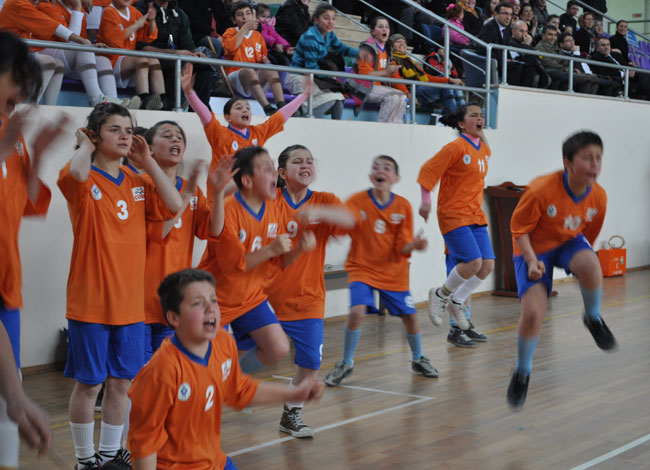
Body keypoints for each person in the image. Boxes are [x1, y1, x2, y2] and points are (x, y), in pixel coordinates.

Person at [57, 103, 183, 470]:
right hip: (90, 303)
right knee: (89, 385)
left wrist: (148, 163)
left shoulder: (137, 181)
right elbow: (76, 172)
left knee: (121, 384)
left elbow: (174, 203)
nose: (125, 136)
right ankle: (85, 461)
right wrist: (84, 145)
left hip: (130, 306)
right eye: (115, 129)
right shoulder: (81, 174)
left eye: (129, 129)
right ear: (94, 135)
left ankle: (110, 457)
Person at [127, 268, 324, 470]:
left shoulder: (223, 342)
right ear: (174, 318)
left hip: (215, 462)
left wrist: (295, 394)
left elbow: (241, 390)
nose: (211, 308)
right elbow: (144, 444)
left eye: (214, 300)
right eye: (197, 303)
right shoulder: (162, 370)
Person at [506, 131, 616, 409]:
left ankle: (593, 317)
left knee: (591, 264)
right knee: (534, 313)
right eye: (587, 158)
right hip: (532, 247)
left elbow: (588, 235)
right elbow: (519, 229)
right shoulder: (541, 190)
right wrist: (531, 260)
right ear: (567, 163)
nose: (594, 164)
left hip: (567, 242)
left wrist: (580, 265)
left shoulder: (599, 197)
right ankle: (522, 371)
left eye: (598, 158)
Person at [0, 31, 69, 469]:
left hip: (6, 282)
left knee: (10, 400)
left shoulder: (14, 131)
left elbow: (22, 204)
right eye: (17, 79)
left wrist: (37, 157)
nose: (23, 93)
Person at [196, 146, 315, 375]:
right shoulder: (229, 211)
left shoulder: (274, 207)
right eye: (267, 169)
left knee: (278, 347)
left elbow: (281, 260)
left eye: (273, 168)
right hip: (216, 298)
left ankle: (233, 381)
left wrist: (299, 248)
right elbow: (233, 267)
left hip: (250, 296)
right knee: (211, 364)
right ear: (247, 181)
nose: (274, 174)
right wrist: (271, 249)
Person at [324, 155, 437, 388]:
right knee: (357, 312)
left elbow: (402, 247)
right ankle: (346, 363)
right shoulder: (357, 201)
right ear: (370, 176)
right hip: (361, 267)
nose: (380, 171)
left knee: (411, 317)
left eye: (386, 168)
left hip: (393, 271)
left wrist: (415, 246)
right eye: (376, 167)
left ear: (395, 178)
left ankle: (418, 358)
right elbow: (341, 226)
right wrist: (329, 225)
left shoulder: (403, 206)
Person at [268, 144, 356, 437]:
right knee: (235, 360)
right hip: (263, 299)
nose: (305, 165)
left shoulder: (324, 200)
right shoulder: (268, 201)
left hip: (308, 299)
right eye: (297, 161)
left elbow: (351, 223)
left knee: (310, 363)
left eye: (309, 161)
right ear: (282, 173)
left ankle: (291, 414)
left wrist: (322, 212)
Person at [141, 121, 236, 363]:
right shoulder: (139, 184)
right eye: (167, 135)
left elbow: (213, 230)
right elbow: (156, 234)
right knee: (139, 375)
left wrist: (218, 194)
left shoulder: (191, 190)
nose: (176, 140)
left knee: (170, 370)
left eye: (179, 137)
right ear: (149, 149)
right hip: (138, 299)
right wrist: (184, 197)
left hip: (173, 299)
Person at [418, 103, 494, 338]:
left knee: (487, 265)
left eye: (482, 116)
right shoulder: (455, 147)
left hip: (475, 214)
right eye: (474, 116)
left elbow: (484, 144)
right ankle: (440, 295)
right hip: (453, 213)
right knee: (472, 262)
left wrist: (478, 126)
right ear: (461, 123)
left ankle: (457, 300)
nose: (480, 119)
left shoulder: (483, 150)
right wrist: (426, 201)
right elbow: (428, 171)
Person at [180, 62, 310, 194]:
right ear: (228, 117)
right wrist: (190, 93)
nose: (245, 110)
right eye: (239, 108)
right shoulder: (219, 133)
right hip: (222, 198)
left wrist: (303, 96)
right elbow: (205, 115)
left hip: (249, 199)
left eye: (248, 108)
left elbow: (280, 117)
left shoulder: (258, 132)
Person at [37, 0, 140, 108]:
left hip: (67, 57)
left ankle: (114, 103)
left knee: (103, 60)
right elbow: (70, 42)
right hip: (46, 51)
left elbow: (79, 41)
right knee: (84, 47)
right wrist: (77, 8)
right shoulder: (47, 6)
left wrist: (93, 47)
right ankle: (96, 98)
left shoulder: (80, 10)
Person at [0, 0, 94, 106]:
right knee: (47, 62)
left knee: (59, 64)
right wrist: (81, 40)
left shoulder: (32, 4)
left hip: (22, 52)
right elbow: (53, 26)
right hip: (7, 54)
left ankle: (50, 107)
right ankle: (30, 106)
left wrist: (83, 41)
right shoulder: (18, 3)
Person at [134, 0, 213, 110]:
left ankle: (198, 112)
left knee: (204, 68)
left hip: (175, 57)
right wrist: (173, 53)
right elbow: (139, 47)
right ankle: (169, 106)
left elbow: (187, 45)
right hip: (151, 57)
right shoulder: (141, 9)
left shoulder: (180, 14)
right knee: (174, 65)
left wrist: (194, 54)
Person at [287, 3, 359, 120]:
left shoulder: (329, 35)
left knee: (339, 97)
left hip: (315, 77)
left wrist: (360, 53)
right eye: (326, 18)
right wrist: (331, 79)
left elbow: (342, 48)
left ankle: (337, 128)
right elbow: (311, 67)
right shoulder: (310, 38)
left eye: (333, 18)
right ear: (316, 20)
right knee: (332, 98)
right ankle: (300, 117)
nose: (330, 22)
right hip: (299, 76)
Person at [97, 0, 166, 110]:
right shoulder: (108, 12)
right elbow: (115, 40)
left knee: (154, 60)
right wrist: (136, 25)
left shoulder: (134, 11)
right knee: (141, 60)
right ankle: (144, 100)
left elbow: (149, 36)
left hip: (128, 61)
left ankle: (162, 101)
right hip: (110, 62)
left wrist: (152, 20)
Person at [221, 1, 287, 115]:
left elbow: (262, 57)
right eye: (240, 14)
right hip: (235, 76)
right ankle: (267, 108)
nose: (245, 17)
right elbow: (230, 49)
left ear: (253, 16)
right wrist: (245, 28)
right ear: (234, 20)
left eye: (248, 13)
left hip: (254, 79)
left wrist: (265, 61)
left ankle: (282, 106)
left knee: (271, 70)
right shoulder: (230, 32)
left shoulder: (258, 36)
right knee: (249, 70)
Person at [390, 33, 465, 115]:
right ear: (392, 46)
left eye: (404, 42)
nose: (402, 44)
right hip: (413, 92)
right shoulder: (392, 61)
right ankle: (453, 117)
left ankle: (462, 114)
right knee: (446, 86)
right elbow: (396, 82)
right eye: (398, 41)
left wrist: (450, 80)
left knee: (452, 84)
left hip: (421, 89)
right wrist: (409, 96)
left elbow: (427, 77)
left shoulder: (408, 60)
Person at [356, 16, 408, 124]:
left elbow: (386, 72)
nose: (385, 29)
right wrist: (386, 72)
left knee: (402, 96)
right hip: (364, 86)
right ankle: (384, 127)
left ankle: (396, 127)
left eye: (387, 27)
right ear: (373, 31)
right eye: (380, 27)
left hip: (378, 87)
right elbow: (363, 74)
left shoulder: (387, 48)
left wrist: (391, 71)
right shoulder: (367, 48)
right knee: (392, 97)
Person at [535, 26, 598, 93]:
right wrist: (568, 69)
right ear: (543, 35)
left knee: (594, 78)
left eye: (555, 35)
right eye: (550, 34)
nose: (553, 37)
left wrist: (573, 68)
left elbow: (566, 61)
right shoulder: (540, 47)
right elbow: (548, 62)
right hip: (554, 72)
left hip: (565, 71)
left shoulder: (556, 47)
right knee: (587, 78)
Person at [558, 32, 619, 96]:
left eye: (572, 40)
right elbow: (577, 67)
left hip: (589, 75)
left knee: (612, 83)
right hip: (576, 76)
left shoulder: (578, 54)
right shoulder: (561, 54)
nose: (571, 42)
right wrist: (576, 53)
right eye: (568, 41)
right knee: (592, 79)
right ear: (561, 44)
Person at [508, 20, 550, 88]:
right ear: (513, 31)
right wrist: (526, 45)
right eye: (521, 31)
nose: (524, 34)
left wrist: (527, 45)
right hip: (518, 72)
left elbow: (536, 58)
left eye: (526, 31)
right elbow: (522, 59)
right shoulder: (510, 42)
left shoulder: (526, 43)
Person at [477, 2, 513, 72]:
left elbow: (506, 47)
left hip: (503, 62)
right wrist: (503, 58)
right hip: (492, 64)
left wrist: (510, 59)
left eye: (510, 14)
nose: (508, 18)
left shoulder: (507, 28)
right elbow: (481, 49)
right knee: (517, 68)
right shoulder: (489, 27)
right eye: (505, 14)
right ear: (496, 14)